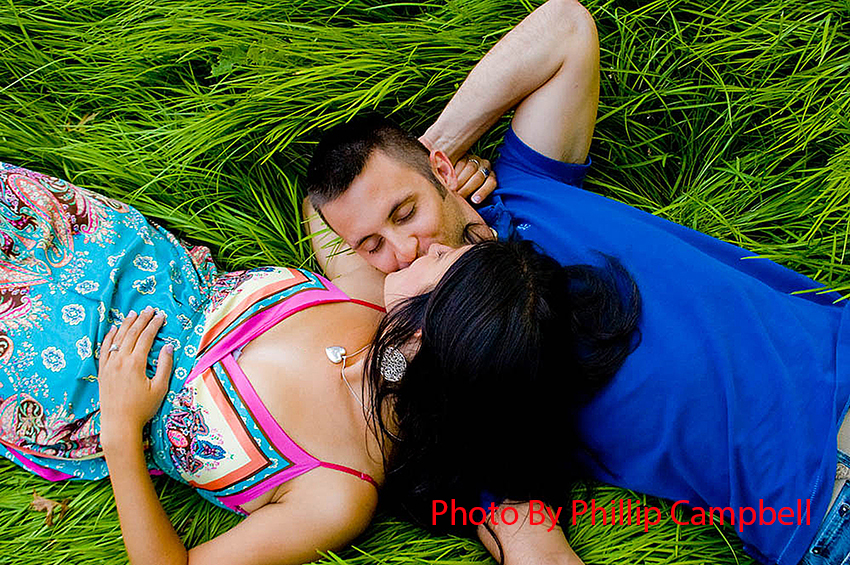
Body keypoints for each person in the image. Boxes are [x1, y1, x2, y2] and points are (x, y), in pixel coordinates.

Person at [304, 1, 850, 564]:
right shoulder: (469, 386)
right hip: (824, 502)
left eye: (405, 212)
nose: (403, 251)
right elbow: (534, 547)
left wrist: (431, 150)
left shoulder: (524, 186)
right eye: (372, 246)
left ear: (443, 172)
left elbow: (565, 29)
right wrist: (401, 299)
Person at [0, 159, 488, 565]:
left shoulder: (337, 495)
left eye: (446, 262)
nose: (434, 247)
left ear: (428, 332)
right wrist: (444, 188)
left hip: (71, 375)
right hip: (117, 253)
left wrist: (121, 432)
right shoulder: (373, 301)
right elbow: (321, 205)